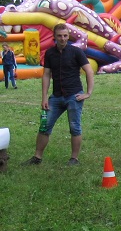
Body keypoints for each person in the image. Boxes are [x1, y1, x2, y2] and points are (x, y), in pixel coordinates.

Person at [23, 23, 94, 166]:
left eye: (65, 36)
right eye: (60, 36)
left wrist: (88, 93)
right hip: (56, 96)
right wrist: (44, 97)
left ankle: (74, 159)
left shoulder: (76, 52)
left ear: (68, 36)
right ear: (54, 37)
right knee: (45, 125)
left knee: (75, 127)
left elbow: (89, 71)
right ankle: (37, 157)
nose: (63, 39)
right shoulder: (50, 53)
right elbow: (46, 75)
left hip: (74, 95)